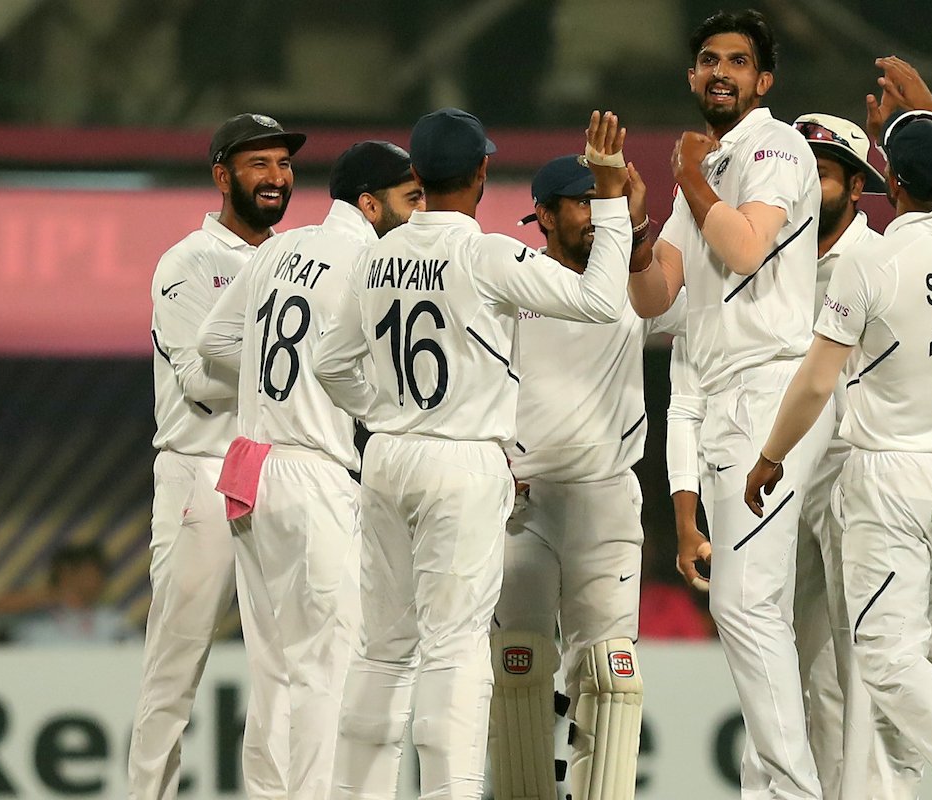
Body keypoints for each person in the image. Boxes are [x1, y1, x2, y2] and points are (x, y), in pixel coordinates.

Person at [313, 107, 633, 800]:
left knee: (381, 650)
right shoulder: (486, 254)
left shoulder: (375, 255)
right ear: (483, 171)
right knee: (454, 650)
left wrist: (387, 414)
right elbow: (603, 301)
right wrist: (610, 199)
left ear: (417, 174)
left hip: (388, 456)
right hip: (463, 460)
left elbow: (330, 364)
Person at [746, 58, 932, 799]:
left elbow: (817, 381)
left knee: (885, 654)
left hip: (891, 474)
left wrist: (771, 455)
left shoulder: (873, 263)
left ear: (892, 183)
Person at [627, 10, 831, 797]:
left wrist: (687, 178)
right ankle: (773, 785)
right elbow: (655, 298)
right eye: (709, 59)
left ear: (764, 80)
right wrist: (637, 227)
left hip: (769, 386)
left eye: (738, 61)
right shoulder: (709, 165)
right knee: (755, 609)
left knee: (745, 606)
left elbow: (746, 248)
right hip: (723, 396)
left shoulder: (774, 148)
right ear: (691, 75)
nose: (720, 72)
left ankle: (793, 789)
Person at [197, 140, 424, 799]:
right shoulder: (373, 264)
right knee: (330, 664)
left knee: (274, 668)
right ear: (371, 204)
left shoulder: (280, 248)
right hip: (313, 470)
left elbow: (213, 340)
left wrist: (272, 382)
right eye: (411, 199)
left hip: (250, 466)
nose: (420, 212)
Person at [488, 153, 683, 800]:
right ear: (543, 215)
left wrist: (641, 228)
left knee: (611, 678)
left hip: (606, 501)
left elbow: (689, 308)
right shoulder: (513, 284)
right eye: (583, 202)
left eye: (604, 200)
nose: (598, 214)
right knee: (518, 672)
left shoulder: (633, 283)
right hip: (523, 503)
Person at [132, 112, 302, 800]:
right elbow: (198, 382)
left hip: (275, 472)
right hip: (200, 470)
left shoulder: (294, 262)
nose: (276, 176)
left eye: (283, 163)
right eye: (259, 163)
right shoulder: (189, 261)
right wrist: (291, 364)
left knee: (282, 666)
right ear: (222, 176)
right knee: (175, 666)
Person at [790, 112, 885, 800]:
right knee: (805, 657)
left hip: (855, 464)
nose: (803, 187)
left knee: (862, 653)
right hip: (785, 466)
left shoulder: (878, 258)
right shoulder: (771, 258)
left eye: (820, 174)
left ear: (856, 186)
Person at [0, 543, 137, 645]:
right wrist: (53, 594)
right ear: (65, 572)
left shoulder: (109, 619)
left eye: (100, 573)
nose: (98, 579)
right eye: (90, 571)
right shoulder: (33, 617)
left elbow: (137, 650)